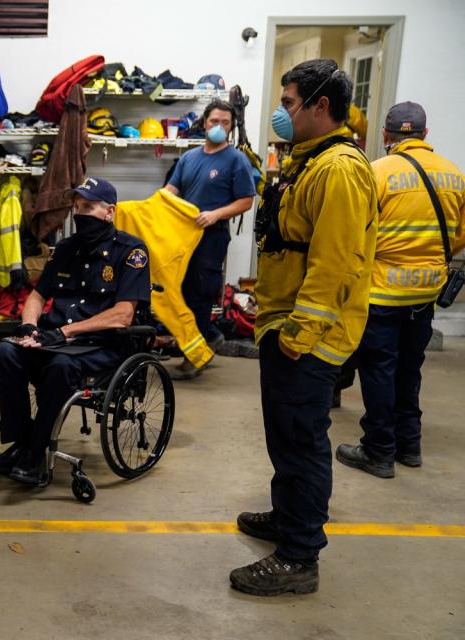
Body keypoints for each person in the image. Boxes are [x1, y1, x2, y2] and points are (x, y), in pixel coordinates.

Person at [230, 59, 378, 597]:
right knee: (286, 437)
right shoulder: (308, 160)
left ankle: (299, 556)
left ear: (321, 106)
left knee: (301, 441)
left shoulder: (338, 169)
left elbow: (334, 264)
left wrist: (298, 337)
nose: (282, 112)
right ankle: (289, 514)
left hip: (307, 337)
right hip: (284, 323)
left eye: (289, 102)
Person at [0, 177, 150, 485]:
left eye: (88, 207)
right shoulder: (64, 249)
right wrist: (30, 326)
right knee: (4, 353)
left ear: (109, 212)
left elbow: (123, 315)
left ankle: (35, 453)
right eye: (76, 207)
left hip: (100, 347)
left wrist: (64, 332)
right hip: (53, 340)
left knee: (60, 367)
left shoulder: (130, 252)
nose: (80, 214)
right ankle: (22, 443)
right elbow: (37, 295)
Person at [336, 102, 465, 478]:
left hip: (382, 292)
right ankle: (409, 445)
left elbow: (356, 231)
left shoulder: (376, 172)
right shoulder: (454, 174)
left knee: (378, 370)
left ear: (386, 136)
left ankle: (378, 450)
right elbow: (459, 236)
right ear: (425, 135)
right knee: (410, 368)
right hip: (426, 294)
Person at [164, 99, 256, 379]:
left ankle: (196, 357)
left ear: (231, 127)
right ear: (204, 122)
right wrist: (155, 203)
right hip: (184, 235)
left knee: (200, 295)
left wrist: (216, 215)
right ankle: (211, 336)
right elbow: (171, 189)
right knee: (179, 289)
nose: (219, 127)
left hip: (211, 236)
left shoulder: (236, 160)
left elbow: (246, 200)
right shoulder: (190, 158)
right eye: (214, 121)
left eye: (225, 123)